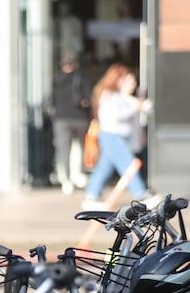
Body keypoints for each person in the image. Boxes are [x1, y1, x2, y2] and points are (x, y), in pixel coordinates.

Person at [81, 62, 158, 210]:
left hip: (116, 136)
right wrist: (136, 108)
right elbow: (116, 115)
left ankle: (92, 195)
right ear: (117, 79)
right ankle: (141, 194)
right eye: (126, 79)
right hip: (112, 135)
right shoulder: (110, 95)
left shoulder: (118, 96)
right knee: (129, 165)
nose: (131, 83)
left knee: (105, 167)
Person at [51, 51, 91, 195]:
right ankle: (78, 175)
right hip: (79, 117)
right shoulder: (81, 78)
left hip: (61, 118)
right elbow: (88, 97)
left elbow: (50, 99)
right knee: (79, 147)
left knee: (64, 150)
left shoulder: (55, 79)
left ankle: (66, 180)